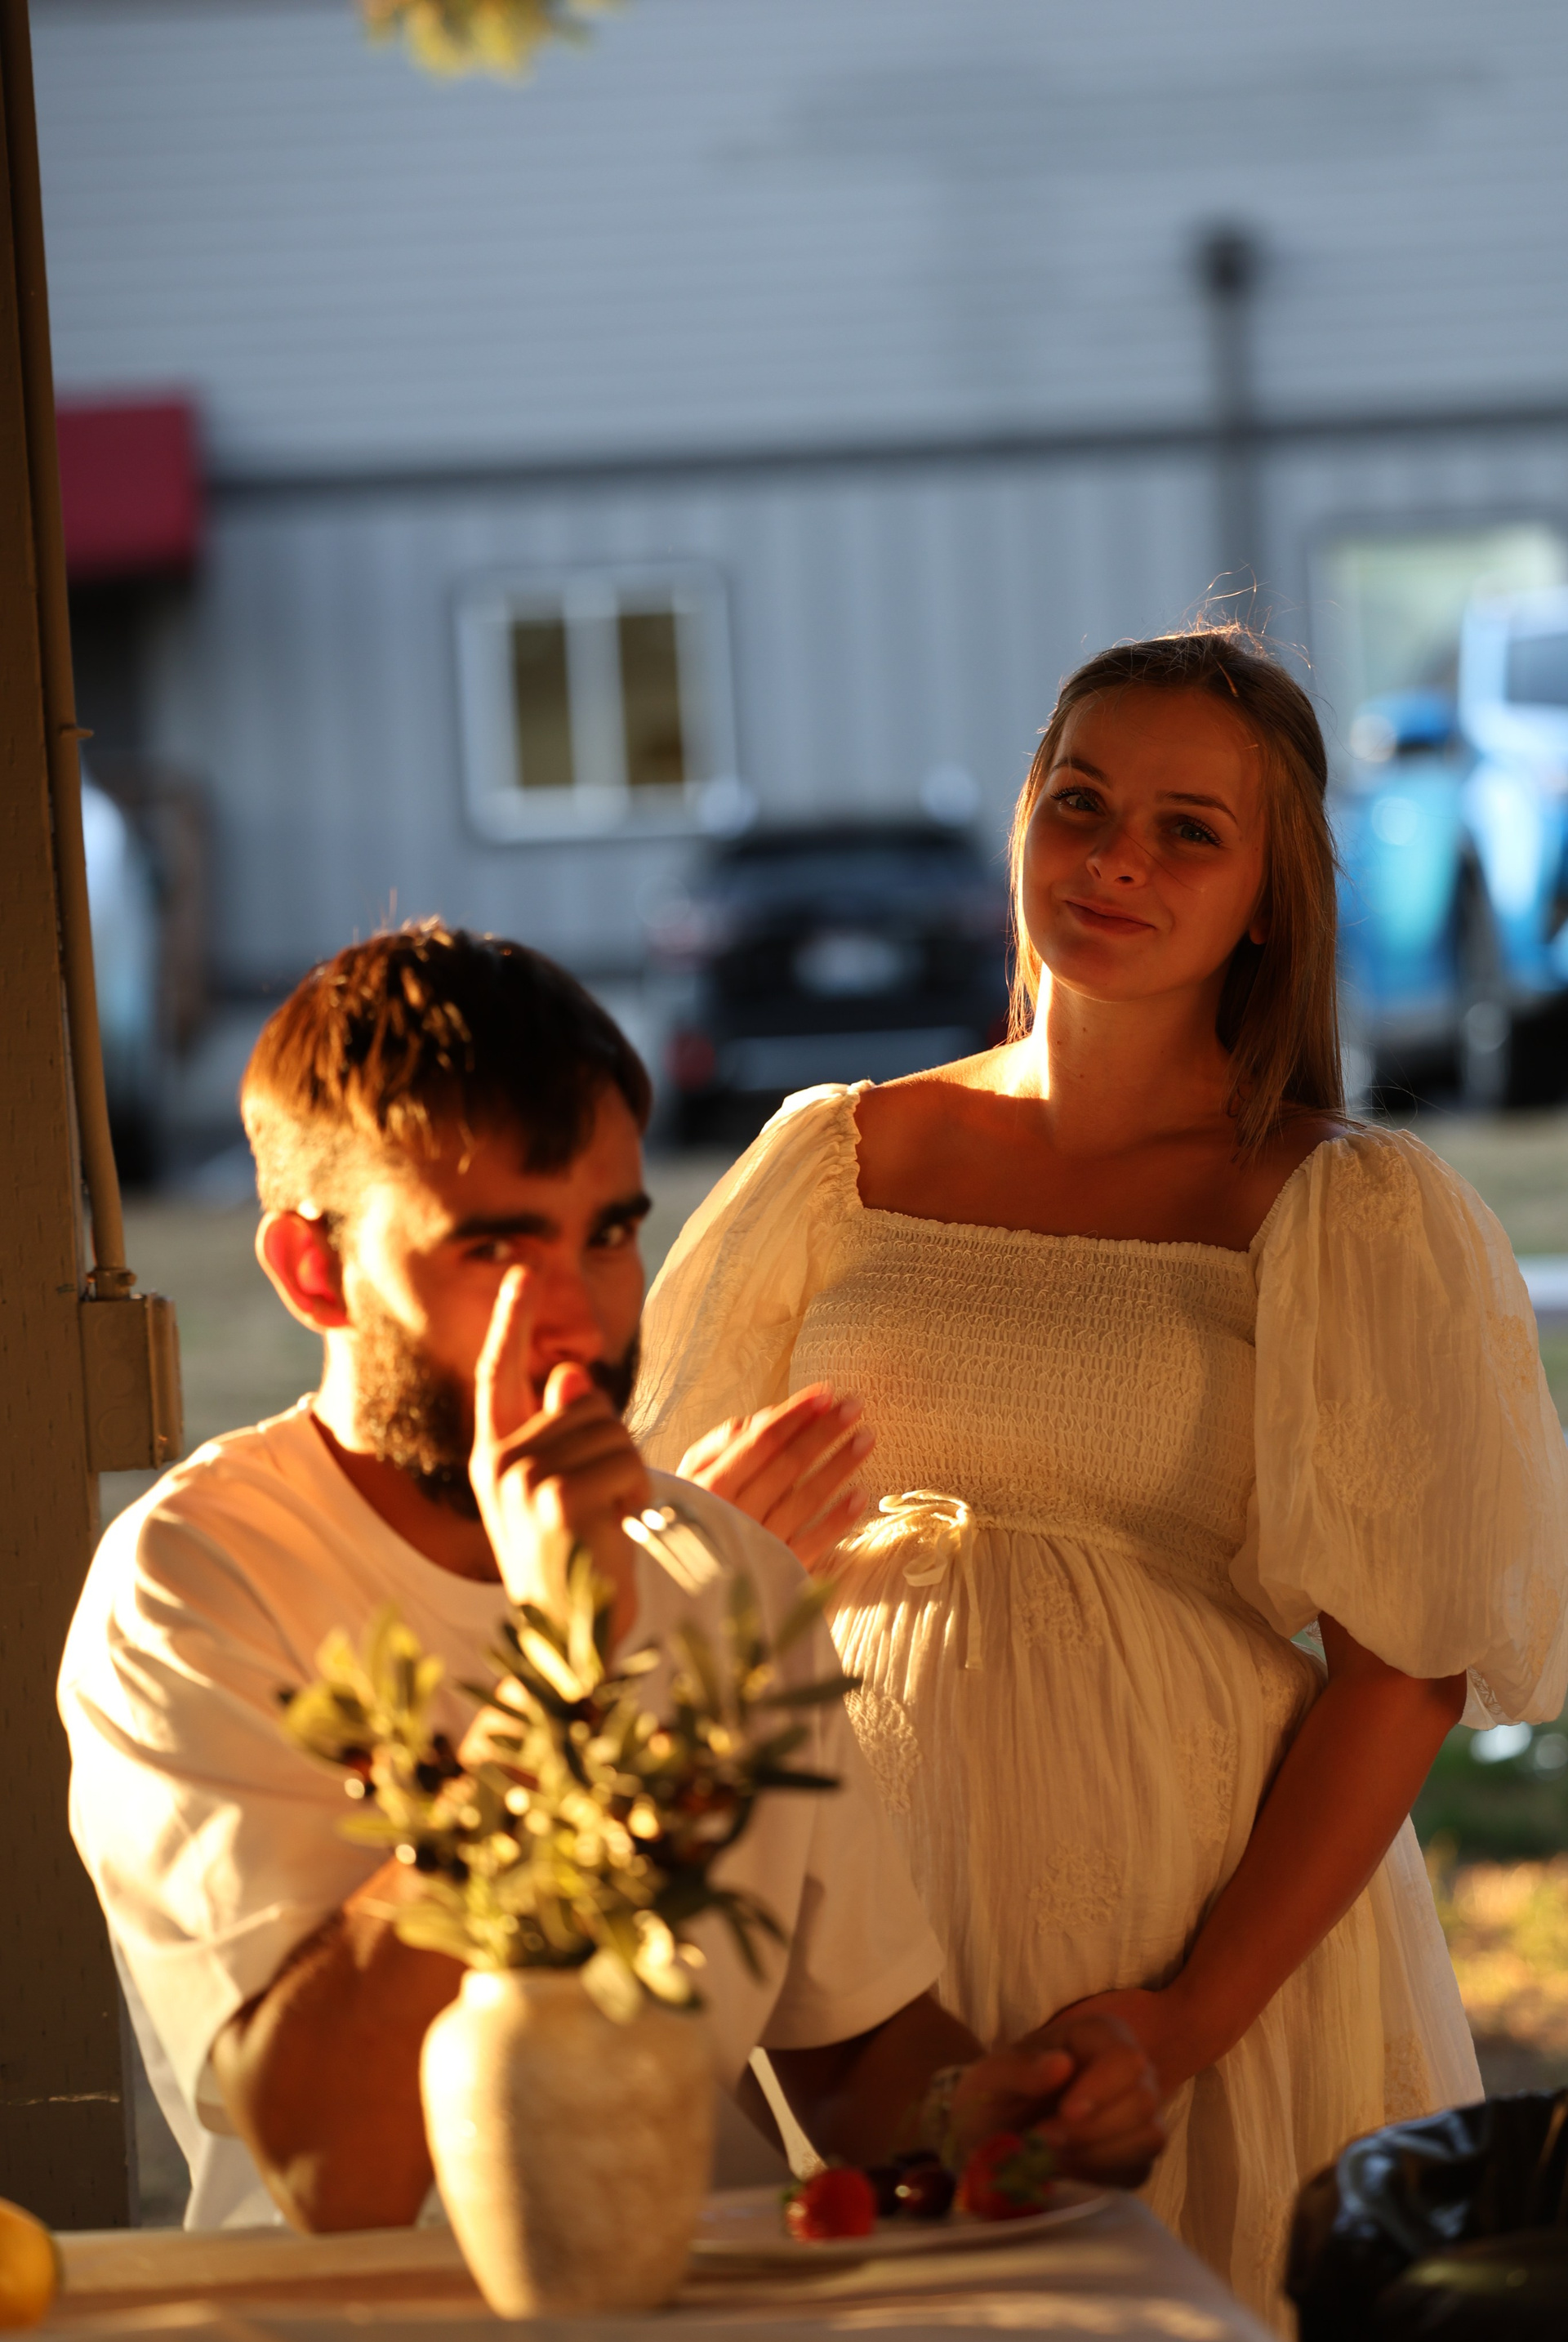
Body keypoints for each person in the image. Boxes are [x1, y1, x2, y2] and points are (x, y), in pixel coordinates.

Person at [630, 627, 1568, 2330]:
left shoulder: (1348, 1208)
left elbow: (1404, 1675)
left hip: (1179, 1946)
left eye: (1189, 830)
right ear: (1024, 822)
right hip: (834, 1900)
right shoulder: (832, 1158)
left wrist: (1187, 2022)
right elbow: (648, 1551)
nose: (1118, 857)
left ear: (1270, 900)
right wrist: (706, 1548)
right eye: (1082, 802)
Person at [60, 924, 1162, 2235]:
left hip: (712, 2298)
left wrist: (992, 2110)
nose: (579, 1319)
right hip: (365, 2317)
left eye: (607, 1235)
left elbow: (856, 2053)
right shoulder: (192, 1583)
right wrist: (562, 1669)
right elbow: (333, 2173)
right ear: (317, 1272)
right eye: (494, 1250)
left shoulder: (722, 1569)